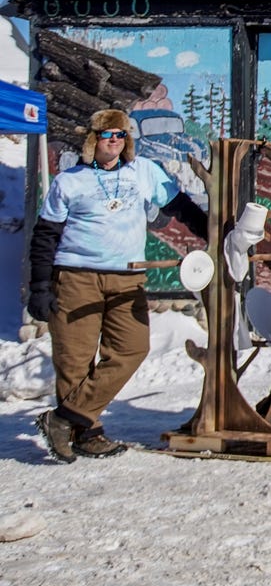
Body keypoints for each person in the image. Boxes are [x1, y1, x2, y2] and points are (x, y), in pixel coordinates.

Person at [29, 108, 208, 463]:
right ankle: (87, 433)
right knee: (75, 359)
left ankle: (63, 419)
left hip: (127, 277)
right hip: (76, 276)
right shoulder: (70, 181)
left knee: (132, 347)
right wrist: (39, 287)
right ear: (93, 140)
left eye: (121, 135)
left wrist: (213, 232)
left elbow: (180, 206)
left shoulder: (143, 172)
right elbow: (46, 236)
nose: (115, 141)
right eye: (108, 135)